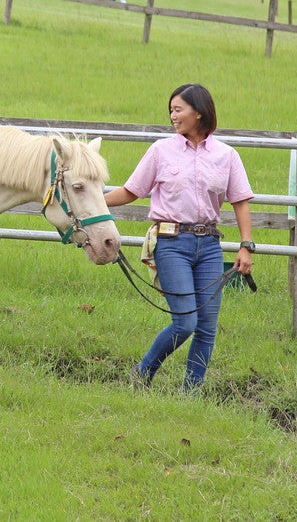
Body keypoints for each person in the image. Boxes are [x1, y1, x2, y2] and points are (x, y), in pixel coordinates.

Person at [104, 84, 254, 391]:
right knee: (185, 322)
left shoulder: (226, 155)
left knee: (207, 326)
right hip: (172, 243)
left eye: (178, 109)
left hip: (209, 245)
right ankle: (143, 372)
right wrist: (92, 201)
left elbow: (240, 201)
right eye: (171, 110)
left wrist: (245, 246)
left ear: (198, 112)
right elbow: (131, 191)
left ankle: (191, 393)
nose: (173, 116)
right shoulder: (161, 150)